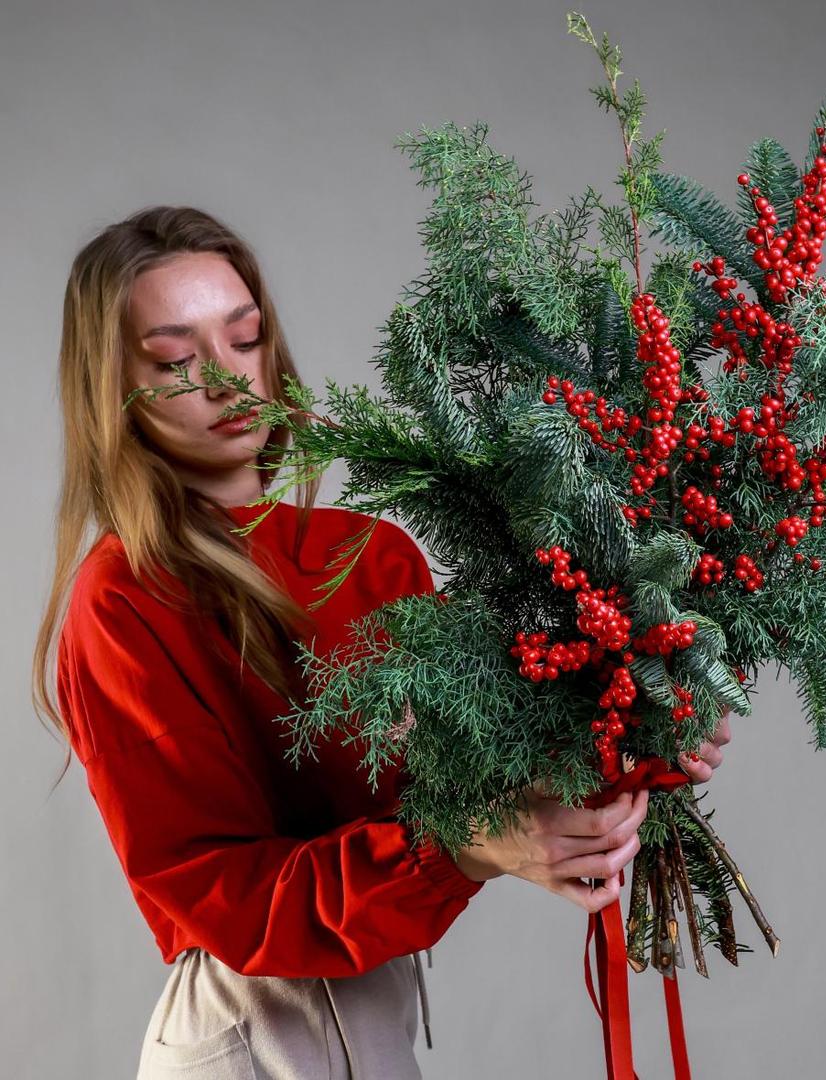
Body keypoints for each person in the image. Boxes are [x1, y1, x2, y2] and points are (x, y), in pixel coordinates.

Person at [30, 205, 730, 1079]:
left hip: (378, 1024)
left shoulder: (368, 557)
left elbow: (464, 779)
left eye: (244, 338)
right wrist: (472, 844)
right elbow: (228, 896)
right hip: (251, 1033)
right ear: (113, 393)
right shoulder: (124, 598)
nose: (226, 377)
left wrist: (633, 733)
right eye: (175, 360)